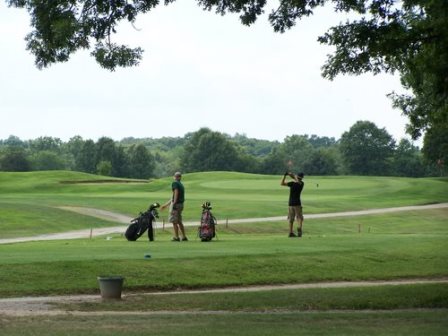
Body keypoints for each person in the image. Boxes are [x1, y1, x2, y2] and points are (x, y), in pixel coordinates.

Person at [161, 171, 188, 242]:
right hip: (181, 204)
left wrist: (174, 203)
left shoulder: (175, 183)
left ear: (175, 177)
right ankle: (184, 236)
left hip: (176, 204)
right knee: (179, 221)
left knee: (174, 221)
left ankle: (176, 237)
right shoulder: (181, 184)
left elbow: (176, 193)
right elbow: (173, 197)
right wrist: (166, 205)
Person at [281, 172, 305, 237]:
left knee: (291, 219)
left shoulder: (293, 183)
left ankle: (290, 232)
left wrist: (285, 176)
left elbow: (282, 183)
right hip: (297, 203)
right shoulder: (302, 183)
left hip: (290, 203)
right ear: (302, 178)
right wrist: (289, 174)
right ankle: (299, 227)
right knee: (299, 217)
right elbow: (295, 179)